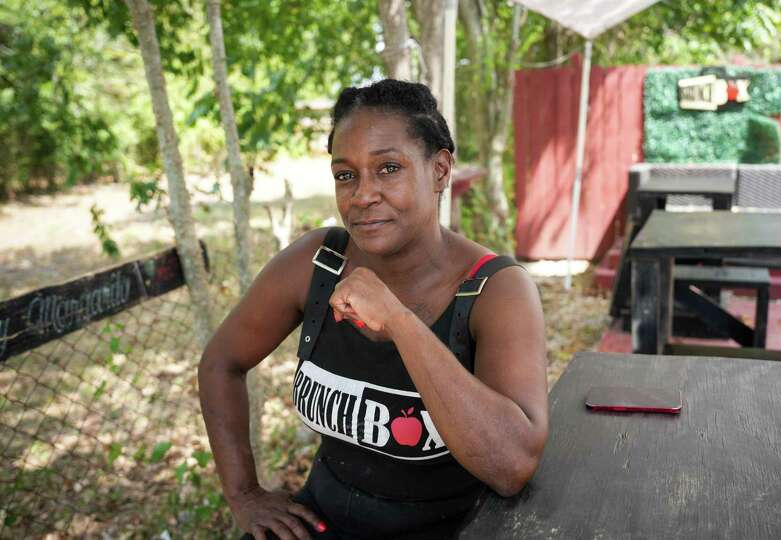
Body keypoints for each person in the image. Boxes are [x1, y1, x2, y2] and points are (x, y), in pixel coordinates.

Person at [198, 79, 549, 540]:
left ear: (440, 170)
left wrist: (400, 321)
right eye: (346, 175)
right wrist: (244, 495)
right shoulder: (317, 263)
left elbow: (512, 465)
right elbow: (221, 363)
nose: (362, 195)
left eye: (388, 168)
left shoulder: (495, 290)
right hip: (321, 520)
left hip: (451, 528)